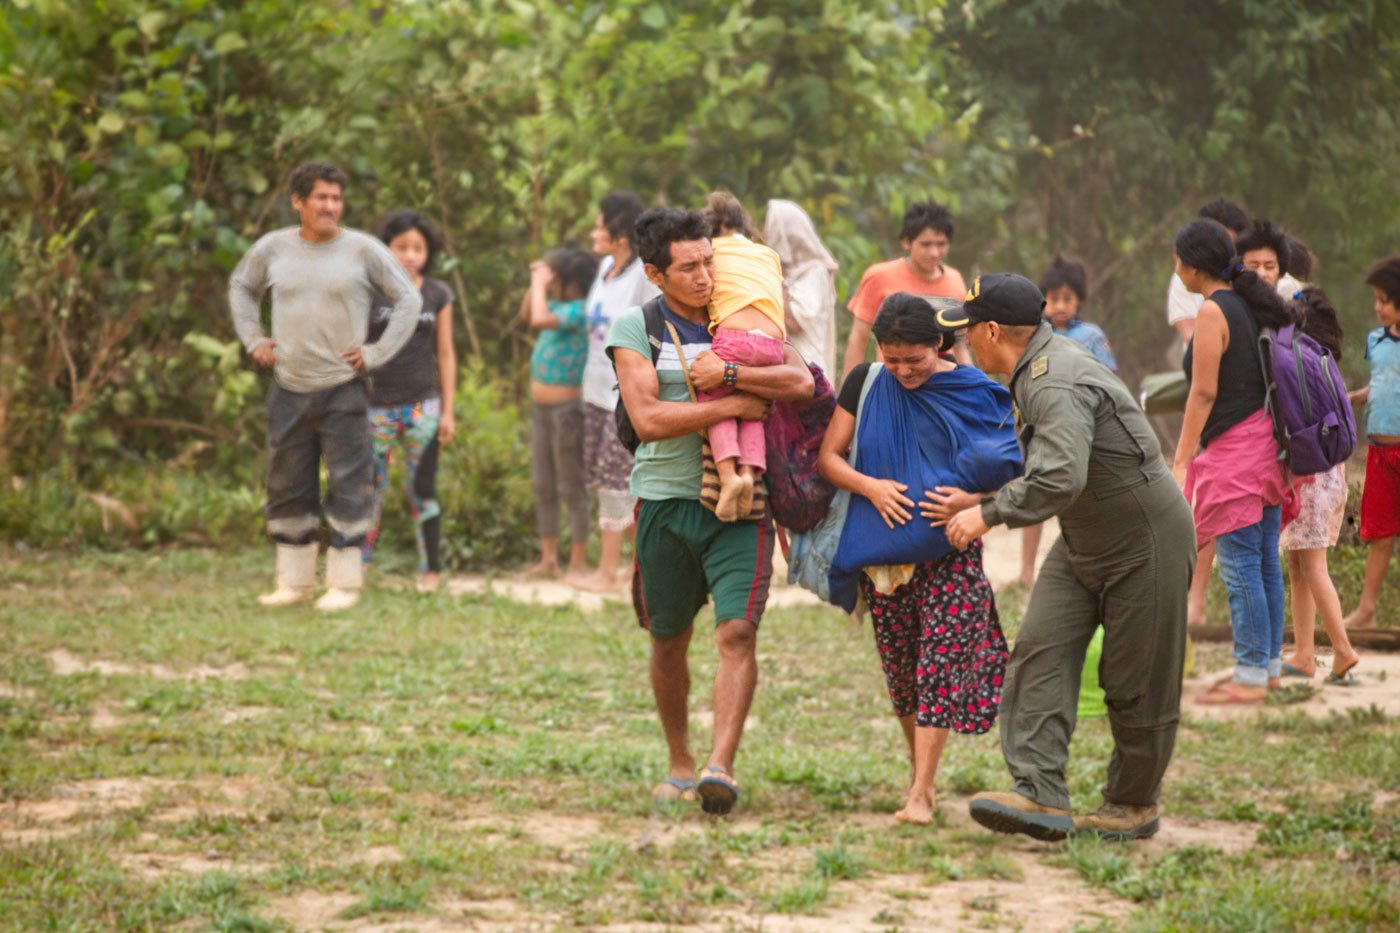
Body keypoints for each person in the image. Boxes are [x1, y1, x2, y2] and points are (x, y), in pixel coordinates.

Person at [929, 273, 1195, 842]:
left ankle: (1133, 804)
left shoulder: (1054, 382)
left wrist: (988, 513)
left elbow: (1059, 477)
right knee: (1039, 653)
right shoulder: (1036, 370)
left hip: (1144, 542)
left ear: (993, 330)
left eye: (968, 331)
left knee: (1136, 680)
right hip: (1083, 540)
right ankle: (1039, 793)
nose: (965, 343)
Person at [607, 207, 814, 815]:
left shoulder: (743, 312)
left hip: (745, 503)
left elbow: (801, 382)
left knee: (738, 630)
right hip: (665, 504)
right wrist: (735, 406)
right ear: (654, 274)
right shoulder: (635, 327)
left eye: (709, 262)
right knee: (668, 637)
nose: (704, 276)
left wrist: (730, 374)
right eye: (689, 267)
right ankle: (678, 762)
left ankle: (719, 766)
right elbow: (647, 420)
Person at [817, 293, 1013, 826]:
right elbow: (829, 458)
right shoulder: (866, 381)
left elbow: (1015, 468)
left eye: (916, 360)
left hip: (950, 548)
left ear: (941, 346)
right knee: (902, 673)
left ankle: (923, 792)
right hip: (884, 560)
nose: (903, 371)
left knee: (938, 665)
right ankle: (918, 776)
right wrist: (872, 487)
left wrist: (972, 501)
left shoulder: (974, 391)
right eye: (892, 357)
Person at [229, 162, 420, 611]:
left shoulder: (362, 250)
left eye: (336, 198)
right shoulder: (272, 249)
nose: (330, 206)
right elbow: (242, 287)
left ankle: (344, 584)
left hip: (344, 388)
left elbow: (407, 298)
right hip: (288, 387)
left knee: (350, 483)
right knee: (287, 483)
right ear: (298, 201)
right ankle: (294, 583)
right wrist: (254, 339)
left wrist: (375, 353)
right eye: (321, 197)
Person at [1171, 219, 1296, 705]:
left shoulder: (1210, 312)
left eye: (1177, 259)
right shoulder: (1245, 304)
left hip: (1236, 454)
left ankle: (1248, 679)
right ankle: (1266, 670)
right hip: (1266, 446)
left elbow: (1203, 392)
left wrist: (1182, 458)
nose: (1175, 269)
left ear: (1193, 265)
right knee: (1264, 561)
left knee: (1240, 564)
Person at [359, 210, 456, 593]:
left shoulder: (437, 293)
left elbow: (446, 353)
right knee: (369, 490)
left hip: (422, 408)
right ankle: (357, 569)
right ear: (386, 249)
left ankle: (430, 572)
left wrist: (448, 411)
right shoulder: (370, 293)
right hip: (377, 407)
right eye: (402, 247)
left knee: (424, 489)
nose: (411, 255)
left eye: (418, 248)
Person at [576, 190, 658, 593]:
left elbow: (653, 331)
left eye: (599, 224)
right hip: (594, 390)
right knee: (609, 481)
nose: (594, 231)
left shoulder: (644, 275)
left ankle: (607, 573)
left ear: (620, 233)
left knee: (615, 482)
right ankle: (644, 569)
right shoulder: (606, 266)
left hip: (622, 394)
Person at [1279, 286, 1361, 683]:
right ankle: (1304, 654)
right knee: (1299, 567)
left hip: (1312, 478)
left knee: (1312, 567)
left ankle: (1343, 651)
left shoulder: (1301, 361)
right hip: (1327, 474)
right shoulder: (1323, 362)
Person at [1019, 255, 1117, 586]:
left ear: (1079, 301)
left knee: (1082, 496)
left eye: (1068, 298)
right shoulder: (1033, 334)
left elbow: (1108, 378)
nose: (1060, 305)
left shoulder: (1091, 335)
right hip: (1040, 426)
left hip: (1080, 428)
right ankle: (1026, 570)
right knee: (1035, 492)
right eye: (1053, 298)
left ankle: (1087, 565)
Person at [698, 191, 788, 521]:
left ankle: (728, 476)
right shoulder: (768, 254)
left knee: (714, 397)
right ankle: (750, 472)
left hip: (733, 338)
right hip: (773, 346)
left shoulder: (709, 253)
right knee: (753, 409)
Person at [515, 246, 599, 581]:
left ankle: (577, 561)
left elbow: (538, 319)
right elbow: (527, 313)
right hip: (542, 409)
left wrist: (539, 282)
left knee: (570, 485)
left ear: (570, 281)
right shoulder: (558, 304)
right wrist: (538, 282)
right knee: (543, 483)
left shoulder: (580, 310)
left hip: (566, 410)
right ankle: (548, 559)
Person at [843, 201, 969, 378]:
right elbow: (859, 338)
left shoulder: (955, 280)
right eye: (925, 244)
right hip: (896, 379)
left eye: (941, 244)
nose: (934, 252)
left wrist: (972, 382)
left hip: (945, 384)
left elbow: (959, 344)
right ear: (906, 242)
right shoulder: (879, 276)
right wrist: (852, 391)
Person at [1343, 256, 1400, 629]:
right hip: (1380, 452)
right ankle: (1366, 610)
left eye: (1384, 299)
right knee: (1380, 533)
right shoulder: (1376, 341)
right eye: (1376, 299)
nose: (1377, 307)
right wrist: (1352, 397)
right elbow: (1382, 384)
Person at [764, 199, 839, 377]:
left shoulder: (814, 271)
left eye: (769, 226)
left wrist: (774, 273)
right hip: (787, 370)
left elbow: (794, 322)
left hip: (809, 372)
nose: (765, 233)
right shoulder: (790, 273)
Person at [1166, 199, 1250, 346]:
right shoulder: (1184, 279)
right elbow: (1191, 336)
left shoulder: (1250, 276)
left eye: (1231, 244)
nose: (1225, 250)